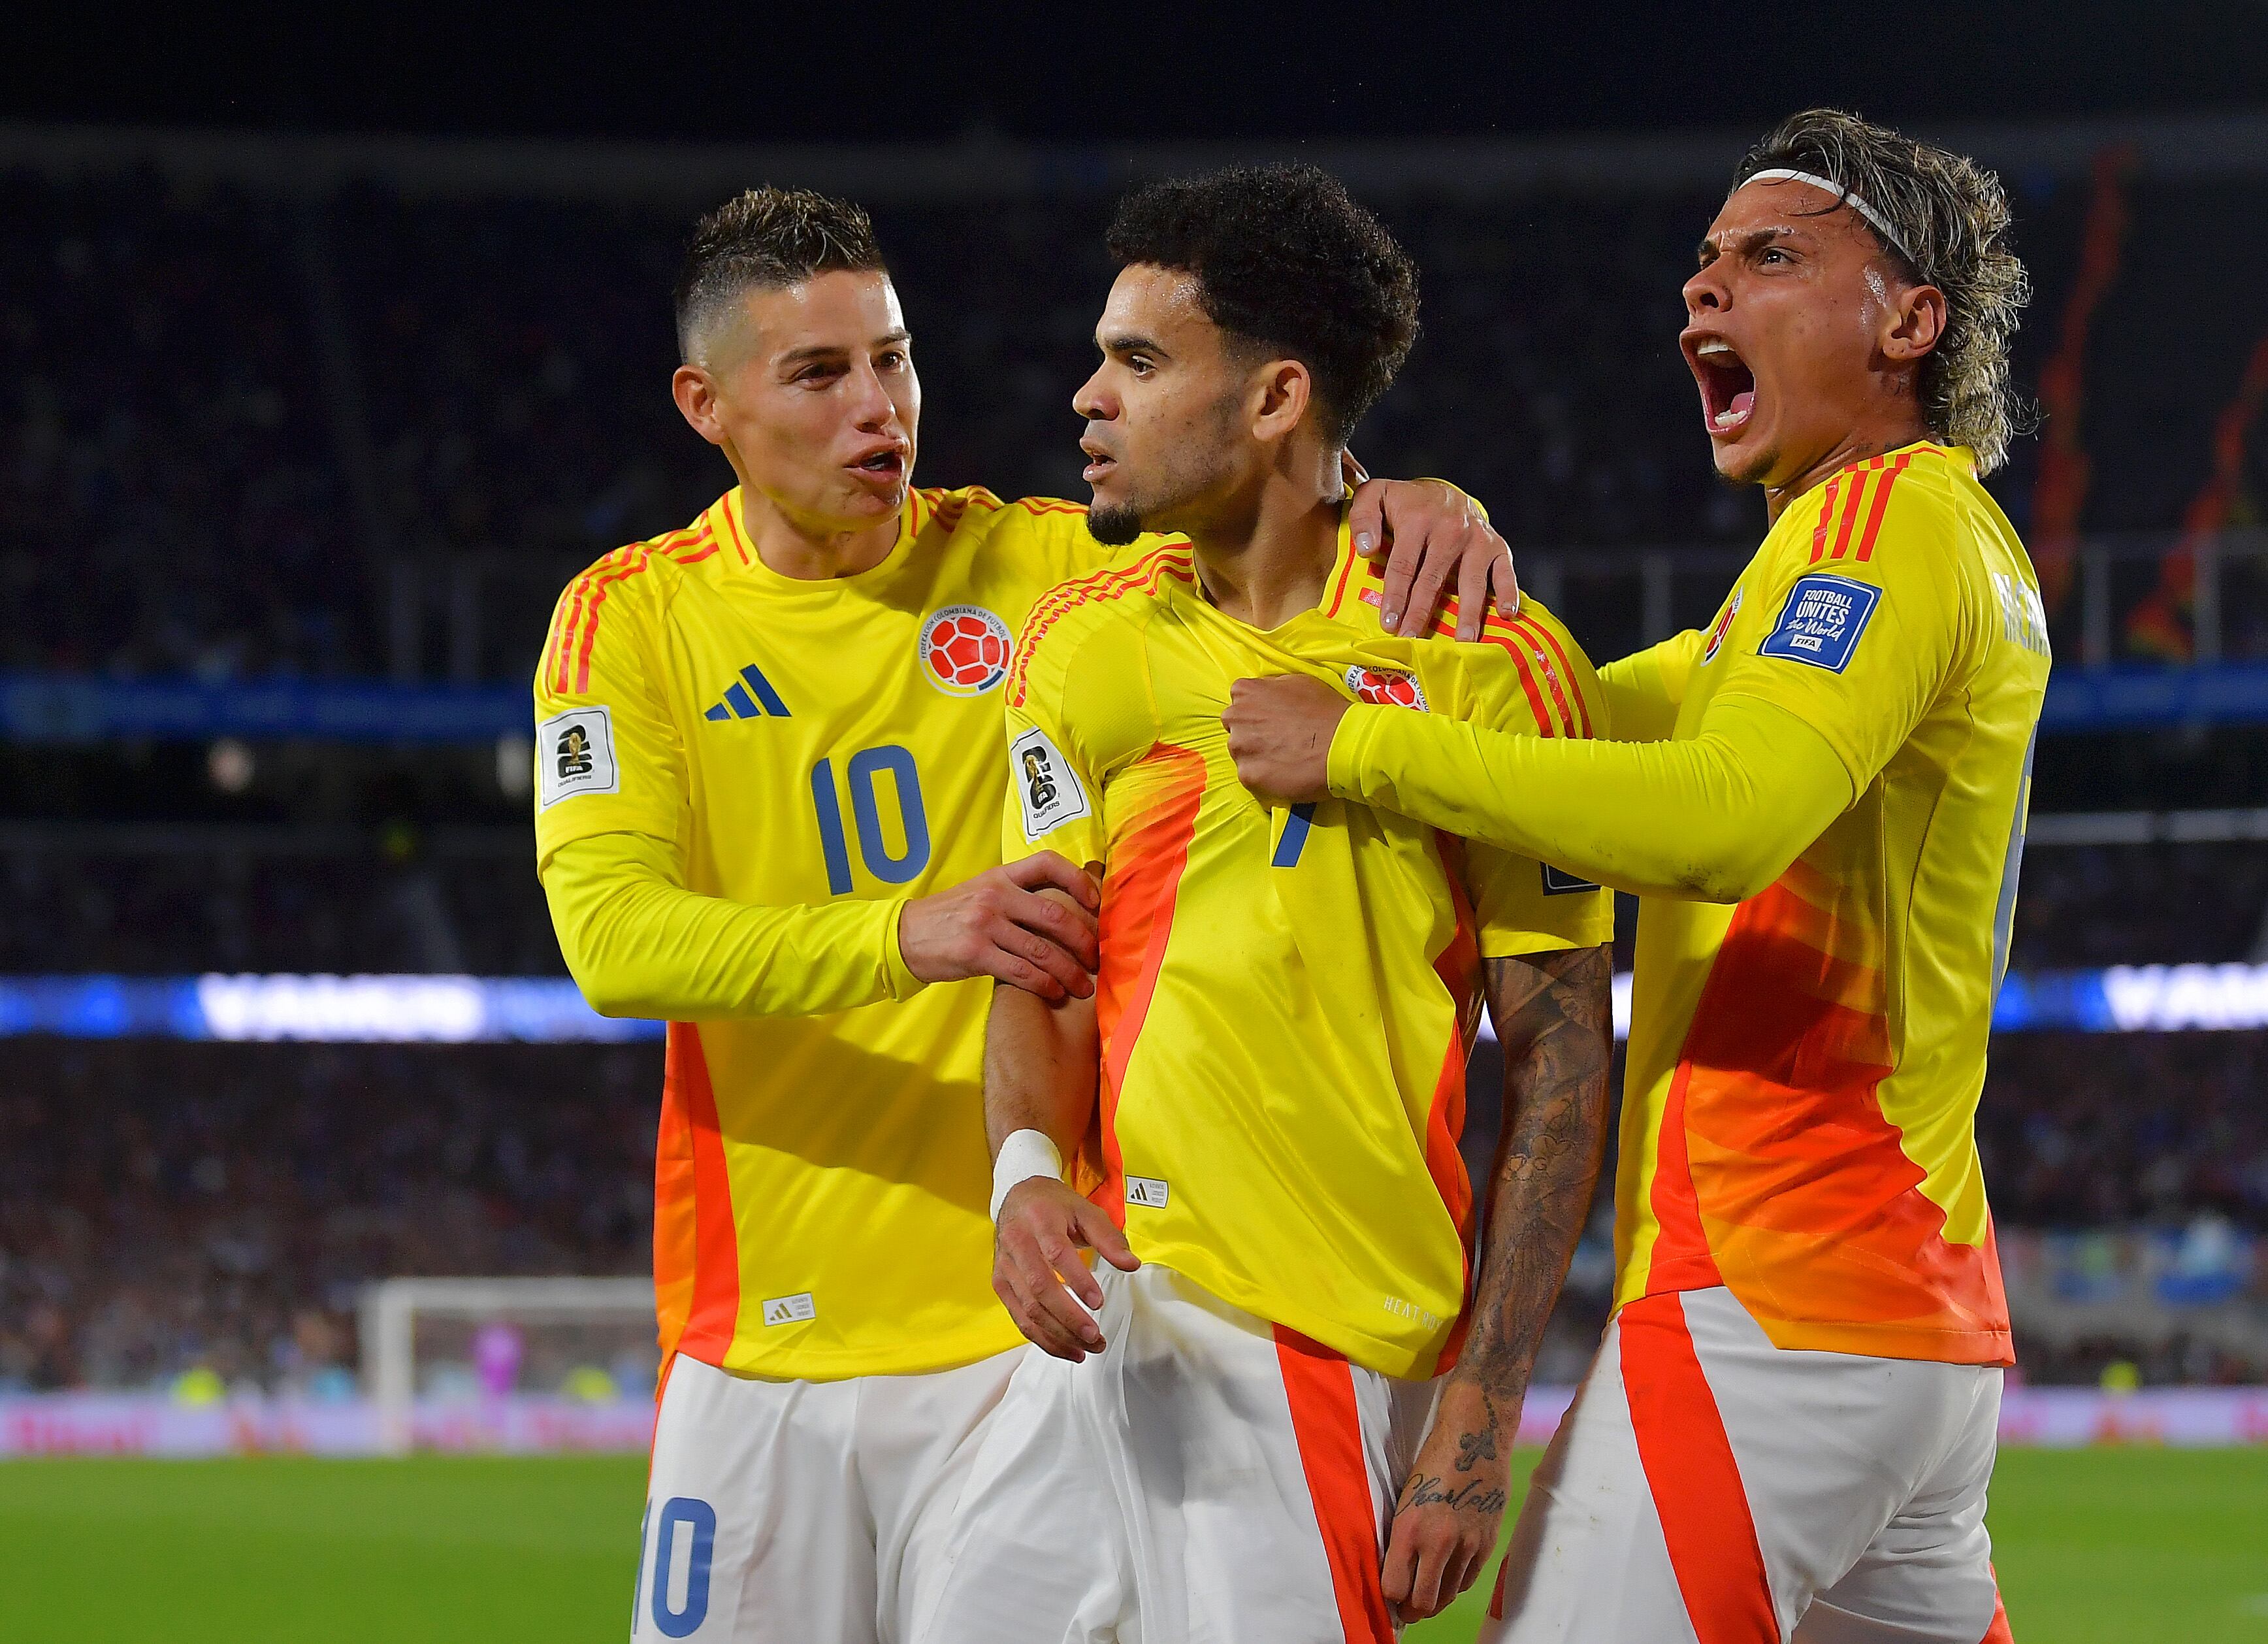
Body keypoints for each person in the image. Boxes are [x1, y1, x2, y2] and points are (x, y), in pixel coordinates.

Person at [529, 187, 1520, 1644]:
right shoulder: (632, 621)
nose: (880, 408)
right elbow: (615, 943)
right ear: (707, 404)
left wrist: (1406, 490)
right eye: (818, 375)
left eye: (893, 358)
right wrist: (913, 931)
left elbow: (1272, 505)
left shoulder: (1045, 564)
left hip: (1034, 1343)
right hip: (763, 1346)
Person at [1225, 109, 2043, 1643]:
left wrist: (1358, 752)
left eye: (1769, 258)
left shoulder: (1885, 522)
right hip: (1894, 1311)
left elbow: (1721, 819)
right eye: (1701, 263)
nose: (1702, 293)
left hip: (1781, 1292)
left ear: (1910, 322)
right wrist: (1411, 517)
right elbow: (1568, 724)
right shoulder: (1823, 570)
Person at [919, 163, 1615, 1644]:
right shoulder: (1080, 646)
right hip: (1094, 1326)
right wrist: (1025, 1171)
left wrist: (1482, 1415)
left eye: (1140, 360)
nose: (1085, 396)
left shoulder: (1493, 661)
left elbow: (1557, 1054)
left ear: (1276, 396)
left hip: (1312, 1342)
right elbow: (1043, 962)